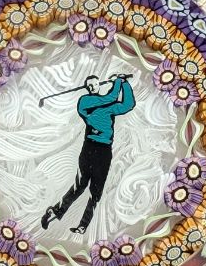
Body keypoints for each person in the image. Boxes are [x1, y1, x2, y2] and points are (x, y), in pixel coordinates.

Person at [41, 74, 135, 234]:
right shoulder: (85, 102)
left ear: (99, 84)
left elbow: (128, 104)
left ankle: (83, 226)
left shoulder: (109, 107)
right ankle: (55, 211)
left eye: (95, 84)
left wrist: (125, 84)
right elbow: (111, 97)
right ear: (86, 87)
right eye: (89, 85)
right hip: (89, 148)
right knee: (80, 185)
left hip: (105, 151)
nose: (92, 87)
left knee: (96, 191)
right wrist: (118, 81)